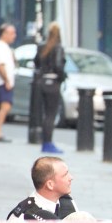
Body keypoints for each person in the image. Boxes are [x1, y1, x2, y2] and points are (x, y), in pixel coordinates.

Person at [7, 156, 77, 220]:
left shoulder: (67, 202)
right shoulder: (23, 216)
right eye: (65, 175)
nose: (71, 178)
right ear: (50, 185)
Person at [34, 23, 67, 154]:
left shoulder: (42, 46)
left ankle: (45, 142)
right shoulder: (58, 48)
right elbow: (59, 65)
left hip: (42, 82)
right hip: (53, 82)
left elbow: (36, 62)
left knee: (45, 113)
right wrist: (62, 77)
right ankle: (48, 143)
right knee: (51, 114)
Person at [0, 23, 17, 143]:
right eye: (12, 33)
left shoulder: (5, 47)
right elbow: (0, 66)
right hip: (2, 81)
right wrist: (6, 80)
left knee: (2, 106)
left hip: (3, 81)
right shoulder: (0, 47)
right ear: (4, 34)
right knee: (5, 106)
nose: (14, 36)